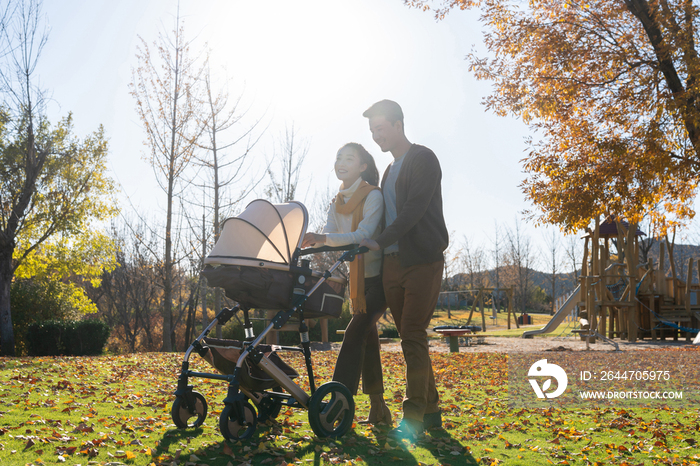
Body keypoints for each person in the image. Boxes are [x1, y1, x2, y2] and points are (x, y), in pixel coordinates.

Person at [359, 100, 449, 440]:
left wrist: (380, 241)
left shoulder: (423, 159)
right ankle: (433, 412)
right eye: (372, 132)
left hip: (422, 261)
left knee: (412, 334)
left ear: (398, 124)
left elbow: (413, 210)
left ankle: (411, 419)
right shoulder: (388, 170)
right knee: (412, 340)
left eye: (380, 129)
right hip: (391, 266)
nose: (376, 136)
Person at [302, 142, 392, 424]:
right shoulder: (336, 202)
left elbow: (362, 234)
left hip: (380, 280)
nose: (341, 162)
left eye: (349, 159)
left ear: (363, 166)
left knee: (354, 335)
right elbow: (329, 238)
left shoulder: (373, 196)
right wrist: (307, 240)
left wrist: (324, 238)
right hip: (357, 282)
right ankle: (379, 409)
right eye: (339, 157)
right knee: (368, 339)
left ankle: (338, 405)